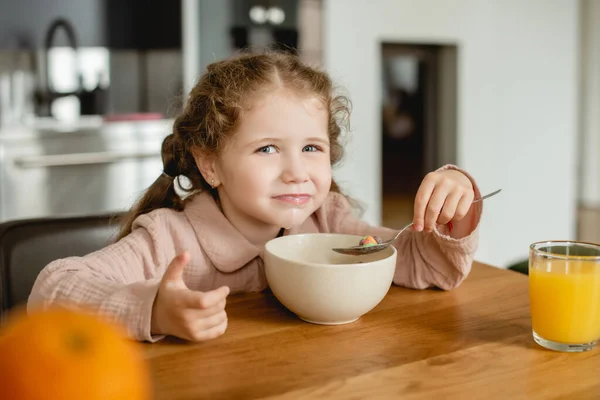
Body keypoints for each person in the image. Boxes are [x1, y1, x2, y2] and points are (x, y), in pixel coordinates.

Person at [28, 52, 482, 343]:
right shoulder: (170, 239)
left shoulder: (329, 222)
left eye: (311, 148)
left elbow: (431, 267)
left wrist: (456, 209)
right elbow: (52, 290)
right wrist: (154, 310)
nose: (297, 172)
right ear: (210, 164)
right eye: (267, 149)